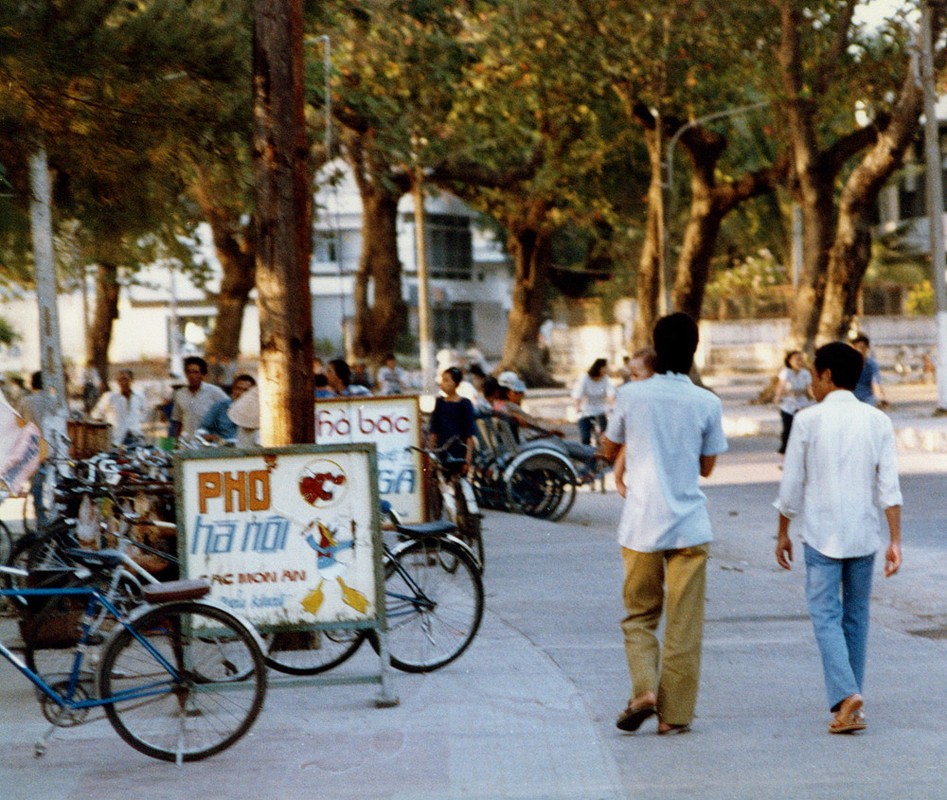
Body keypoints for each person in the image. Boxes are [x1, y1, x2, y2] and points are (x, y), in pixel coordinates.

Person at [601, 313, 728, 736]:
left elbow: (608, 448)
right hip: (690, 527)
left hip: (640, 526)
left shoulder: (631, 396)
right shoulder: (708, 402)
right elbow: (707, 467)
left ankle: (643, 692)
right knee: (683, 626)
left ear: (655, 348)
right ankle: (673, 718)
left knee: (639, 616)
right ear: (694, 351)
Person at [774, 341, 902, 735]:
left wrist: (782, 532)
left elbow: (792, 483)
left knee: (825, 615)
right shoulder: (877, 420)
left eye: (813, 375)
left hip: (821, 534)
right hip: (864, 533)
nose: (811, 383)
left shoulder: (808, 421)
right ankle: (852, 706)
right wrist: (895, 540)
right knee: (857, 617)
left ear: (828, 376)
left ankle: (847, 695)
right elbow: (889, 487)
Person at [612, 347, 656, 498]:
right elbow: (627, 443)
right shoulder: (634, 403)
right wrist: (618, 480)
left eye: (636, 375)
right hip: (641, 478)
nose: (632, 380)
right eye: (630, 375)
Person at [428, 367, 476, 473]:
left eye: (446, 380)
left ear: (456, 383)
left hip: (459, 452)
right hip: (442, 450)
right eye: (442, 380)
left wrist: (468, 459)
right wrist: (430, 453)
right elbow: (433, 431)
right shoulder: (440, 403)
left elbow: (469, 434)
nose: (442, 383)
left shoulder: (465, 404)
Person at [169, 356, 228, 438]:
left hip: (208, 444)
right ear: (185, 374)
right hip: (187, 443)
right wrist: (176, 442)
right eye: (189, 372)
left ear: (203, 374)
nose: (192, 376)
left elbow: (229, 410)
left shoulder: (214, 392)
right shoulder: (180, 394)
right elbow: (178, 420)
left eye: (196, 372)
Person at [90, 368, 147, 446]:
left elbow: (144, 413)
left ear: (132, 380)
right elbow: (95, 414)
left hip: (134, 437)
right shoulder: (110, 396)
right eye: (119, 380)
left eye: (125, 379)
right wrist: (106, 427)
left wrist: (135, 422)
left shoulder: (139, 396)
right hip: (116, 439)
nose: (123, 383)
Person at [773, 350, 813, 455]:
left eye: (801, 359)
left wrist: (807, 393)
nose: (799, 362)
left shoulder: (805, 373)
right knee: (788, 429)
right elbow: (781, 387)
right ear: (790, 361)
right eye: (797, 359)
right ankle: (784, 454)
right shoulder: (786, 372)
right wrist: (778, 397)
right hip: (788, 405)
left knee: (803, 431)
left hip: (803, 405)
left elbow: (809, 389)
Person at [198, 374, 256, 443]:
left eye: (246, 390)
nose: (241, 393)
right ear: (233, 390)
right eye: (238, 389)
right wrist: (206, 435)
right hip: (223, 449)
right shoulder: (220, 406)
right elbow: (203, 428)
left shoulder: (258, 411)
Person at [572, 358, 615, 446]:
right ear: (599, 368)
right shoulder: (585, 378)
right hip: (586, 411)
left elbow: (611, 395)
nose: (608, 369)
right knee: (585, 438)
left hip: (601, 411)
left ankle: (603, 456)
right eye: (606, 367)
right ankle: (587, 456)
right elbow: (578, 395)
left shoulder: (606, 379)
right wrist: (577, 408)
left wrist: (614, 407)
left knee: (604, 438)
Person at [851, 334, 887, 408]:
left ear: (867, 348)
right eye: (856, 348)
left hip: (867, 398)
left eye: (862, 348)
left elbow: (875, 382)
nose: (859, 350)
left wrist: (880, 397)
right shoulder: (848, 364)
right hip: (851, 397)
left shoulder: (872, 364)